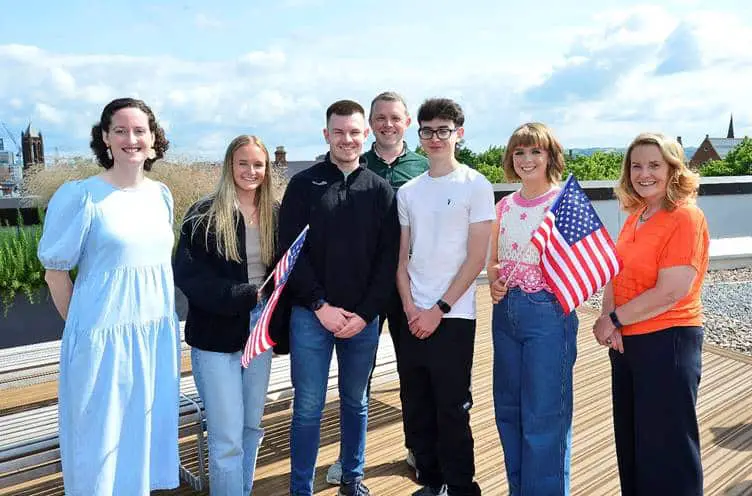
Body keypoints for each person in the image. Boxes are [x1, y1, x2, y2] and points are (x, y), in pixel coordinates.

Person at [37, 97, 180, 495]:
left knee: (139, 441)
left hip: (152, 338)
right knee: (98, 446)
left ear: (153, 138)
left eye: (139, 130)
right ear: (105, 138)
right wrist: (86, 330)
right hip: (103, 341)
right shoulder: (82, 196)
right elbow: (55, 273)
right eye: (120, 130)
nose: (131, 139)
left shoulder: (161, 195)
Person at [279, 99, 399, 496]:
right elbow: (291, 253)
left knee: (355, 402)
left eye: (354, 132)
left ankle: (352, 477)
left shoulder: (380, 191)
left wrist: (365, 315)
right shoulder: (303, 185)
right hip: (311, 317)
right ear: (326, 134)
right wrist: (319, 306)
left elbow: (388, 261)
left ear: (365, 135)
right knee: (308, 407)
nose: (347, 139)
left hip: (362, 321)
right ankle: (301, 488)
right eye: (338, 132)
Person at [592, 132, 708, 496]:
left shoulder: (685, 217)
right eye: (637, 165)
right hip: (627, 344)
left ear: (673, 169)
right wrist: (610, 319)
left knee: (667, 450)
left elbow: (672, 290)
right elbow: (615, 271)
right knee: (634, 446)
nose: (644, 173)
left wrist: (613, 319)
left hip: (668, 342)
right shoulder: (637, 214)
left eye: (655, 165)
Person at [326, 90, 428, 485]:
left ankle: (416, 448)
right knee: (356, 379)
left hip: (410, 286)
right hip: (363, 290)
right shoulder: (352, 163)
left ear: (406, 123)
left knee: (413, 371)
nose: (388, 124)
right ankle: (347, 459)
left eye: (395, 118)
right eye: (380, 118)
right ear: (370, 126)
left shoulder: (424, 166)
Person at [396, 98, 493, 496]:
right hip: (412, 314)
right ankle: (431, 482)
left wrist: (439, 309)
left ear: (459, 134)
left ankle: (460, 486)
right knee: (416, 405)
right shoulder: (408, 191)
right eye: (427, 130)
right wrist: (410, 308)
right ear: (418, 134)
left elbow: (476, 258)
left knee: (452, 408)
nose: (435, 138)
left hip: (453, 316)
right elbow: (400, 259)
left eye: (443, 130)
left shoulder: (476, 184)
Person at [174, 135, 279, 495]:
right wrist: (245, 295)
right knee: (226, 437)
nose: (251, 171)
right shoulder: (203, 215)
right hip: (216, 337)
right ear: (229, 166)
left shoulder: (274, 215)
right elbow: (189, 277)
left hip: (260, 333)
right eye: (243, 163)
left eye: (258, 164)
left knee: (251, 427)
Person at [487, 122, 578, 495]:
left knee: (544, 415)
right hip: (505, 314)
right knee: (509, 411)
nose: (526, 159)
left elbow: (580, 266)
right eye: (519, 152)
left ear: (550, 156)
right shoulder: (504, 205)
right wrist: (494, 280)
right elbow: (493, 261)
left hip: (548, 314)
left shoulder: (564, 203)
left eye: (535, 152)